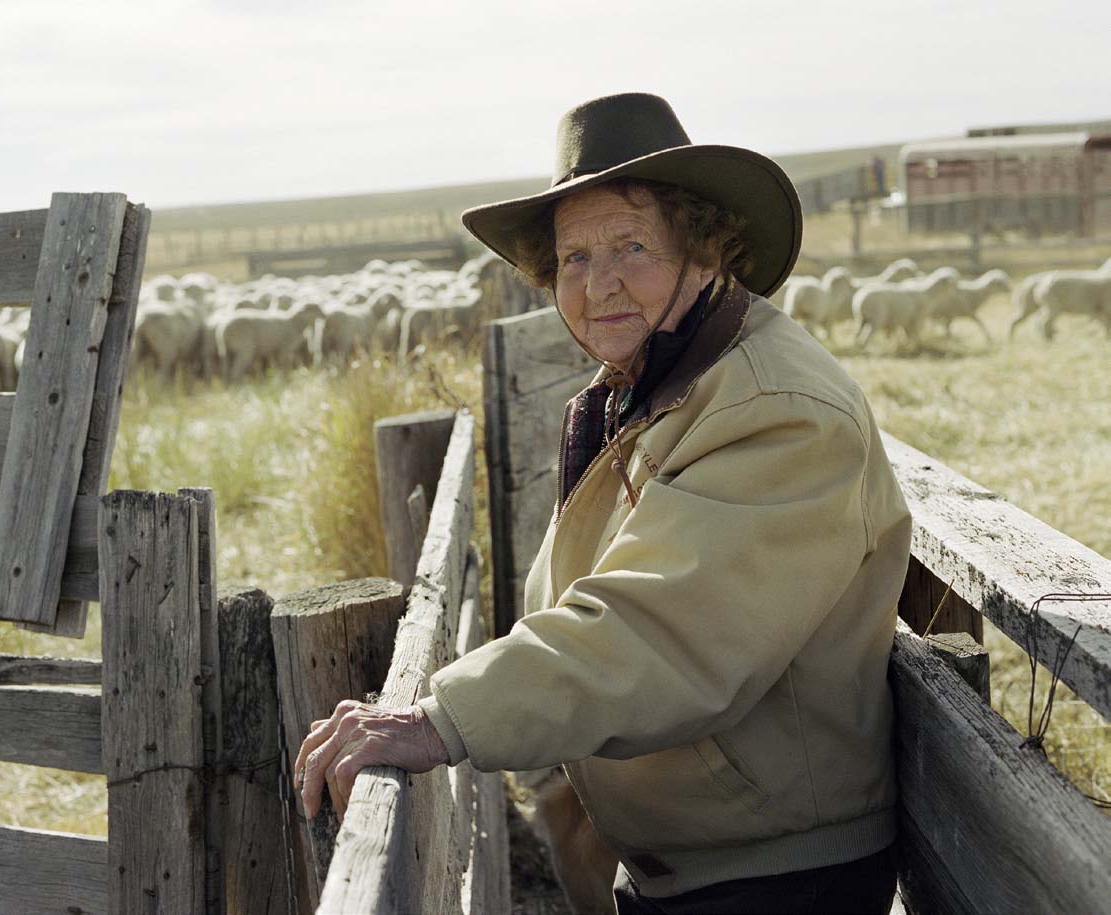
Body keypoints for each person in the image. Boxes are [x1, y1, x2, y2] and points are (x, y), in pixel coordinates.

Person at [295, 92, 911, 915]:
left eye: (631, 245)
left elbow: (659, 628)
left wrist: (440, 715)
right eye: (574, 259)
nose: (599, 284)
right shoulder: (655, 388)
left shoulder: (774, 408)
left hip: (772, 876)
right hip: (700, 855)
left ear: (706, 249)